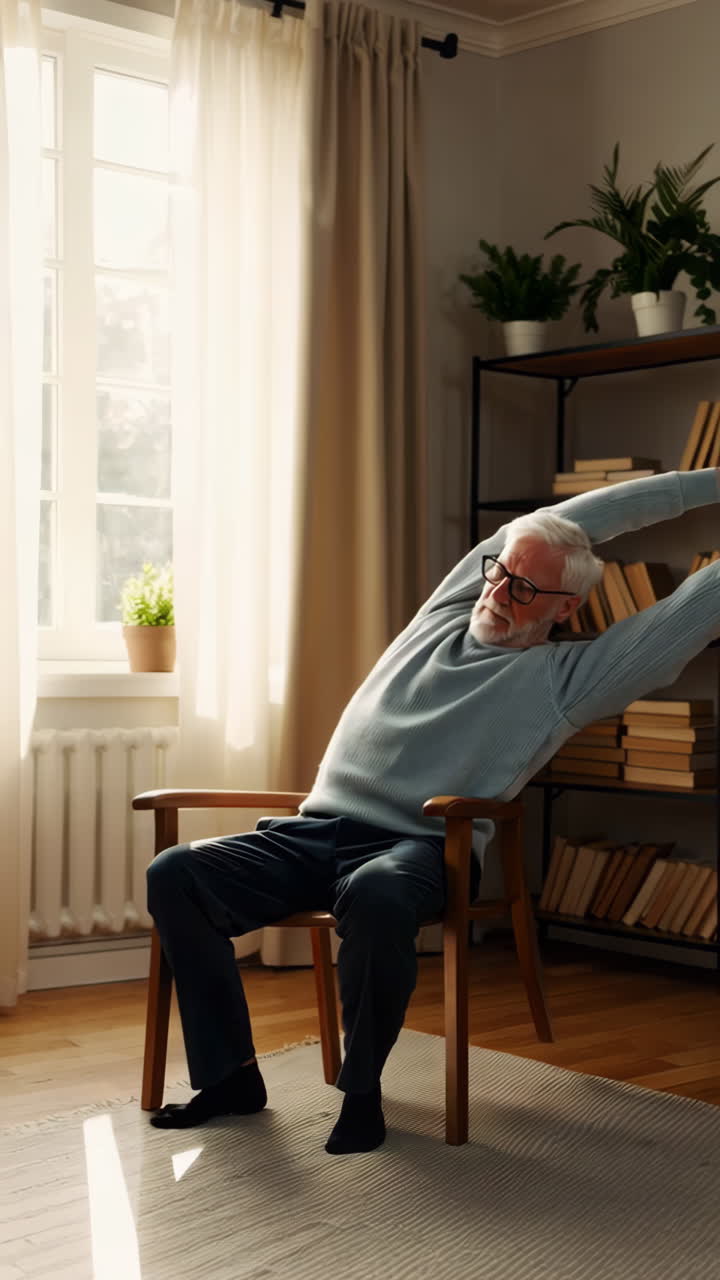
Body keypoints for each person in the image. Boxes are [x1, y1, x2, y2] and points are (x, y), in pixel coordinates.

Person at [147, 467, 720, 1153]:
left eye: (527, 589)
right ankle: (231, 1077)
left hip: (417, 850)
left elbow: (686, 614)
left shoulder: (565, 680)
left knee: (377, 893)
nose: (501, 594)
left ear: (564, 610)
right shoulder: (449, 610)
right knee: (176, 872)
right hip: (313, 831)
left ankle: (361, 1093)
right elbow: (579, 517)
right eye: (501, 573)